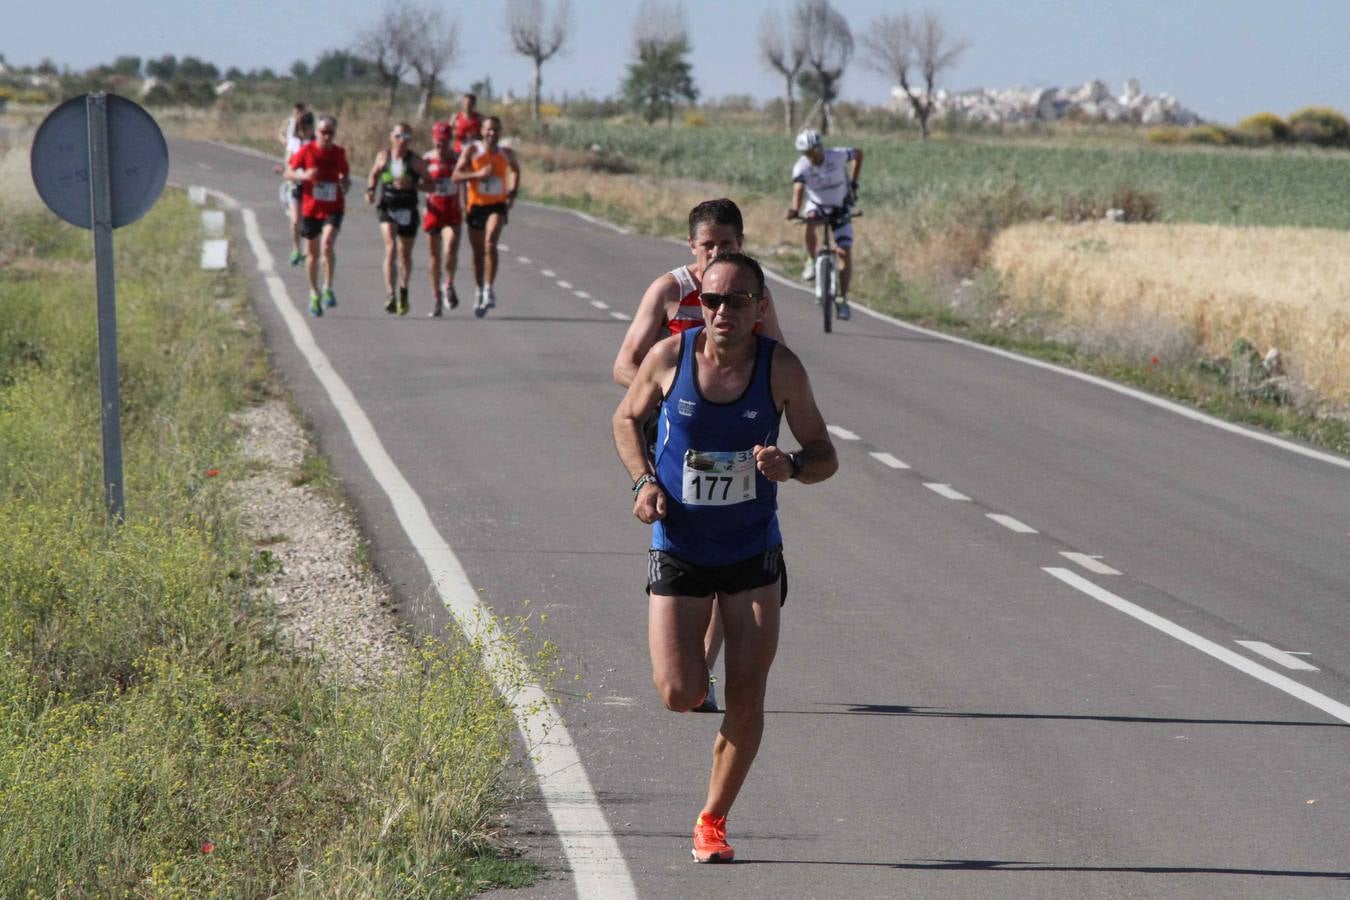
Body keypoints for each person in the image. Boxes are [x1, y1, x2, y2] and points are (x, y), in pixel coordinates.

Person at [612, 250, 837, 864]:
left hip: (751, 551)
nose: (721, 311)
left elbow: (824, 454)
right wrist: (643, 483)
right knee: (681, 693)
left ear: (759, 308)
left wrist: (790, 465)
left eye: (737, 301)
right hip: (680, 546)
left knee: (747, 696)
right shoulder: (669, 357)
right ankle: (699, 651)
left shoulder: (780, 369)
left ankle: (712, 820)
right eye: (712, 300)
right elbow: (626, 419)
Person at [612, 198, 787, 712]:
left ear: (741, 244)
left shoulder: (752, 294)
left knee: (726, 542)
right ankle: (684, 650)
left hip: (733, 432)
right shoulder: (669, 291)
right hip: (674, 420)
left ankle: (705, 670)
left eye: (727, 244)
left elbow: (776, 360)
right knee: (689, 531)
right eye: (708, 244)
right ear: (691, 246)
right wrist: (670, 384)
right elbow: (625, 365)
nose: (717, 252)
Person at [786, 127, 863, 320]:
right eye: (808, 153)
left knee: (844, 251)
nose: (813, 155)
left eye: (816, 150)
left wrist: (854, 181)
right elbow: (798, 189)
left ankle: (842, 299)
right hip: (817, 205)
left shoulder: (836, 156)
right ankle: (812, 261)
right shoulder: (801, 166)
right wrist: (794, 209)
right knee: (809, 219)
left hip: (840, 205)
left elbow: (858, 154)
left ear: (821, 147)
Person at [452, 115, 519, 317]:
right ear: (482, 131)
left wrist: (512, 192)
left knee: (490, 243)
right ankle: (479, 288)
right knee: (478, 252)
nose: (492, 133)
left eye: (496, 130)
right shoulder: (472, 151)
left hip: (497, 205)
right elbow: (456, 176)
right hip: (476, 206)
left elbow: (515, 170)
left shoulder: (506, 153)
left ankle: (489, 289)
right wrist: (477, 175)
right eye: (488, 129)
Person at [285, 115, 350, 317]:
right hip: (312, 208)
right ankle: (314, 293)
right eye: (323, 132)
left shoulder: (339, 153)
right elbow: (288, 172)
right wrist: (303, 176)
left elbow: (345, 176)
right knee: (312, 254)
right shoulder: (307, 150)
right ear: (317, 132)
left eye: (330, 132)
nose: (327, 136)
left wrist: (344, 184)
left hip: (334, 206)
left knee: (327, 244)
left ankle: (328, 287)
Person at [365, 122, 426, 316]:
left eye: (407, 138)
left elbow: (431, 184)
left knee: (404, 254)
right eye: (399, 136)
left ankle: (403, 291)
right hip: (388, 207)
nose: (402, 141)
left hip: (408, 208)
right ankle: (390, 294)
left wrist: (414, 185)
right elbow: (373, 175)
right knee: (390, 247)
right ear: (391, 137)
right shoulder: (383, 157)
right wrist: (370, 191)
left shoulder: (416, 161)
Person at [422, 120, 462, 316]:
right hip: (433, 213)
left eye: (445, 142)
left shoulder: (458, 159)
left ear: (450, 140)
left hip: (452, 213)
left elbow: (468, 180)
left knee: (450, 247)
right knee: (434, 257)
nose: (441, 146)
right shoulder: (427, 160)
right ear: (433, 139)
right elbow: (417, 183)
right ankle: (436, 296)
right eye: (438, 142)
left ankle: (449, 283)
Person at [276, 111, 315, 266]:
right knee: (295, 220)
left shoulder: (317, 142)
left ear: (312, 127)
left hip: (312, 187)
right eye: (300, 128)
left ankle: (307, 250)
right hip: (296, 184)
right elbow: (289, 161)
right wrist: (287, 170)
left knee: (309, 220)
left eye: (305, 128)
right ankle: (295, 248)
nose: (303, 132)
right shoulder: (294, 142)